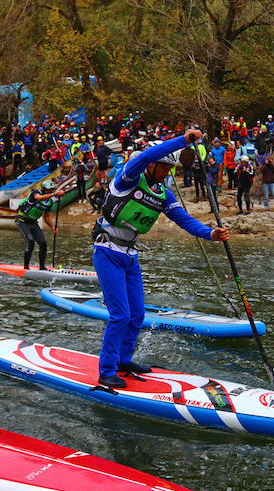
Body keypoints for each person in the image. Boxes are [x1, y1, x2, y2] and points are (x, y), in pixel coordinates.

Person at [92, 128, 229, 389]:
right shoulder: (128, 178)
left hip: (130, 256)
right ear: (152, 164)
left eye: (170, 169)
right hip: (107, 251)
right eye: (164, 167)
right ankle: (106, 370)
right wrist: (183, 141)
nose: (168, 173)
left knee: (137, 315)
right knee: (120, 315)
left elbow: (185, 221)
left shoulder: (164, 195)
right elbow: (145, 157)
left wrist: (211, 233)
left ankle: (123, 360)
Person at [16, 180, 65, 271]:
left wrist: (53, 227)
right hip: (23, 221)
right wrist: (54, 194)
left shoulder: (49, 202)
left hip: (33, 223)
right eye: (49, 190)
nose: (51, 191)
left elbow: (46, 218)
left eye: (52, 190)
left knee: (43, 243)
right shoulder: (36, 193)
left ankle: (42, 267)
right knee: (31, 242)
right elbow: (39, 198)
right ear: (43, 189)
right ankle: (26, 268)